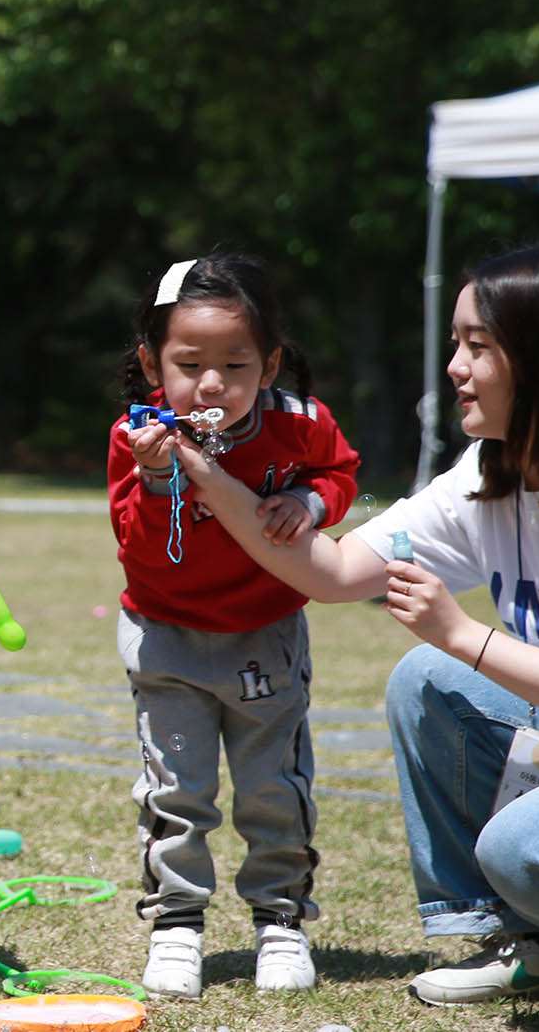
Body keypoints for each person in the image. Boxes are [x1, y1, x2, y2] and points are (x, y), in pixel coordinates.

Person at [163, 242, 539, 1007]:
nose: (454, 366)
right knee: (428, 683)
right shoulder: (488, 474)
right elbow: (335, 572)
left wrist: (464, 634)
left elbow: (465, 639)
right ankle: (534, 945)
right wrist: (209, 476)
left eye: (478, 346)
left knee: (521, 847)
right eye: (456, 343)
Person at [109, 253, 359, 1000]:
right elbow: (140, 550)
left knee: (272, 788)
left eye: (235, 363)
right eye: (189, 363)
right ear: (154, 362)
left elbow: (341, 473)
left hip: (266, 633)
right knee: (175, 790)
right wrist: (160, 478)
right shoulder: (137, 436)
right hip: (166, 635)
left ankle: (280, 922)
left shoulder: (301, 422)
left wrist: (312, 505)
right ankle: (177, 925)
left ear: (270, 362)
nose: (212, 383)